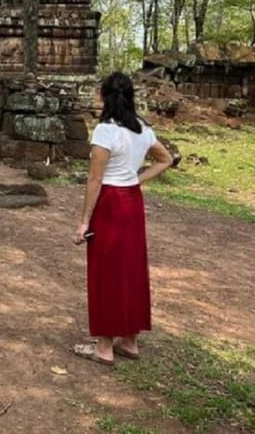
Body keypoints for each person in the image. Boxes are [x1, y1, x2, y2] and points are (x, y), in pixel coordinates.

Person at [72, 71, 173, 366]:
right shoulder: (142, 128)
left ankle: (104, 346)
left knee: (106, 271)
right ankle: (130, 339)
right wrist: (138, 179)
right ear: (131, 97)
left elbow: (95, 179)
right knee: (131, 268)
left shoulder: (106, 130)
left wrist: (83, 221)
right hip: (132, 201)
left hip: (111, 202)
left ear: (103, 96)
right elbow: (165, 159)